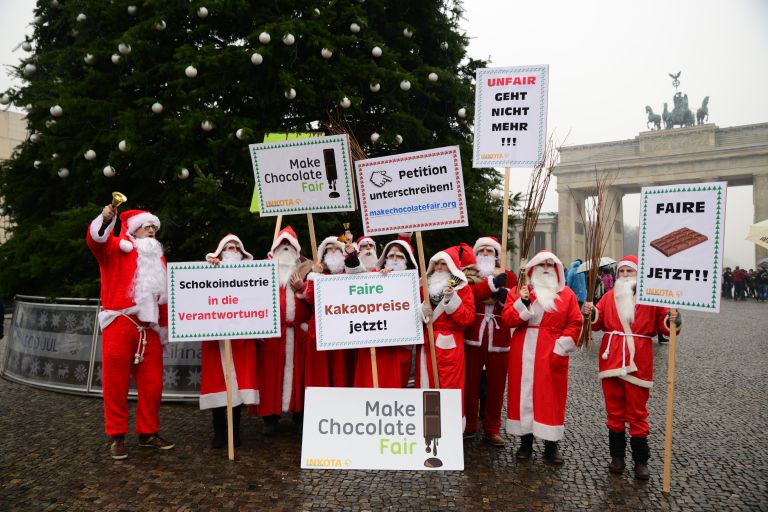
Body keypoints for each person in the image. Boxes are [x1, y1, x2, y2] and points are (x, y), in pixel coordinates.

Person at [86, 205, 174, 460]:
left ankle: (148, 432)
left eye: (154, 228)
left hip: (150, 327)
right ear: (134, 229)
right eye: (147, 226)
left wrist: (165, 328)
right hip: (120, 323)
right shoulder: (115, 249)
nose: (152, 231)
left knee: (153, 384)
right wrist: (105, 219)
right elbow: (96, 241)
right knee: (115, 384)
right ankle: (117, 437)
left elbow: (164, 297)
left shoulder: (158, 258)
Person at [582, 255, 681, 480]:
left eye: (630, 271)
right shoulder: (608, 297)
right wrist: (590, 312)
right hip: (611, 358)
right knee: (614, 411)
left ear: (638, 274)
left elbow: (664, 326)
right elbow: (598, 323)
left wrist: (673, 319)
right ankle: (617, 458)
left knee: (637, 413)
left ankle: (640, 461)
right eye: (622, 272)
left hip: (639, 362)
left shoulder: (651, 298)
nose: (625, 275)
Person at [501, 250, 582, 464]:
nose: (546, 268)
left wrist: (561, 346)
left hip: (552, 351)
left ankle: (551, 445)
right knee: (523, 395)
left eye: (550, 264)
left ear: (556, 269)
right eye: (541, 264)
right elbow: (508, 319)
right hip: (523, 349)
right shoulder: (519, 291)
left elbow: (575, 323)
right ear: (532, 269)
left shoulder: (567, 295)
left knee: (550, 398)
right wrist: (523, 303)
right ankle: (525, 443)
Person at [200, 234, 259, 449]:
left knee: (236, 385)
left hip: (240, 338)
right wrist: (210, 267)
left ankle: (234, 432)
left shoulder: (251, 275)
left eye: (236, 247)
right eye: (228, 247)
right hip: (216, 338)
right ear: (220, 252)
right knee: (218, 384)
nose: (232, 250)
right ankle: (219, 432)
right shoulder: (210, 270)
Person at [255, 226, 312, 435]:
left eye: (289, 245)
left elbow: (316, 299)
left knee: (302, 377)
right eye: (282, 245)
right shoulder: (263, 270)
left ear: (296, 250)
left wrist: (301, 289)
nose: (286, 248)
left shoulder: (307, 270)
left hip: (299, 334)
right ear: (275, 249)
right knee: (270, 377)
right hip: (273, 335)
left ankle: (300, 417)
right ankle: (270, 418)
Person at [462, 236, 518, 447]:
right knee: (470, 384)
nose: (485, 254)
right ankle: (469, 425)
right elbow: (469, 296)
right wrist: (491, 285)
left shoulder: (509, 275)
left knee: (496, 387)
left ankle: (492, 428)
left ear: (496, 255)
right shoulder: (468, 274)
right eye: (482, 251)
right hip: (473, 335)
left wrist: (504, 297)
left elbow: (515, 303)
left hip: (499, 336)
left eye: (490, 251)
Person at [418, 244, 476, 425]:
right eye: (437, 264)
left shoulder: (463, 289)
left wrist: (452, 302)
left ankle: (451, 430)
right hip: (427, 345)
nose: (440, 267)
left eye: (444, 264)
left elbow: (467, 319)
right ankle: (429, 429)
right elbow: (411, 319)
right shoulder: (423, 288)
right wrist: (421, 311)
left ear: (452, 266)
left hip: (450, 346)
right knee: (427, 388)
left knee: (450, 389)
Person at [300, 235, 365, 391]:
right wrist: (314, 275)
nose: (333, 251)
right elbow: (310, 298)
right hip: (320, 331)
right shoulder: (319, 276)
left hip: (345, 331)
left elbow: (356, 274)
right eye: (329, 249)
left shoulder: (349, 274)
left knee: (344, 373)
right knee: (320, 376)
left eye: (336, 248)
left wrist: (351, 256)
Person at [353, 239, 417, 388]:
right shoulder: (375, 276)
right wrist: (380, 281)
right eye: (391, 256)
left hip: (400, 346)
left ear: (406, 260)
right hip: (375, 343)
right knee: (370, 382)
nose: (394, 259)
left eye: (399, 256)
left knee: (395, 385)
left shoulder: (414, 283)